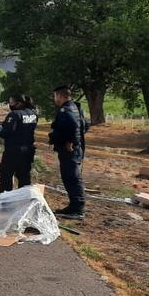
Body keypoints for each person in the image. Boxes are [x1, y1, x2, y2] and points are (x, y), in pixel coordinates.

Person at [48, 86, 87, 219]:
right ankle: (73, 206)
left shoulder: (66, 109)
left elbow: (73, 125)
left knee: (72, 178)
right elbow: (85, 126)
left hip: (69, 149)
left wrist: (71, 141)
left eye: (55, 96)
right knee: (69, 177)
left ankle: (78, 209)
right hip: (73, 148)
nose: (54, 99)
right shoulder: (75, 107)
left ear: (60, 96)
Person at [0, 94, 38, 192]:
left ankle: (5, 198)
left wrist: (0, 131)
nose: (10, 105)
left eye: (11, 102)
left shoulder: (14, 114)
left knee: (6, 174)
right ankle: (23, 197)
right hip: (28, 150)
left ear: (18, 103)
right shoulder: (33, 114)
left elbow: (7, 132)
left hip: (14, 150)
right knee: (24, 177)